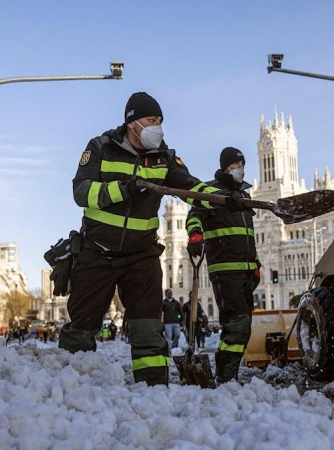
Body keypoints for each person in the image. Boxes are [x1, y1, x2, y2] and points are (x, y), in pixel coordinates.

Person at [58, 92, 247, 386]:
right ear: (132, 122)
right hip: (97, 252)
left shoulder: (165, 158)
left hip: (141, 255)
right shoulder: (101, 148)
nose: (157, 126)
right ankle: (68, 387)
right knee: (82, 327)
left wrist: (226, 199)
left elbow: (191, 187)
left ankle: (153, 388)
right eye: (151, 120)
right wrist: (125, 189)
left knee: (148, 329)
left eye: (160, 121)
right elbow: (81, 192)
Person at [186, 147, 261, 383]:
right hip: (225, 268)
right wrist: (195, 235)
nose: (240, 168)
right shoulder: (212, 192)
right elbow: (194, 214)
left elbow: (248, 235)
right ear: (225, 166)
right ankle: (226, 376)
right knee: (237, 323)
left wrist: (255, 263)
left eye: (242, 163)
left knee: (243, 325)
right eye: (235, 164)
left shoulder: (245, 197)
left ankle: (229, 373)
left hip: (246, 268)